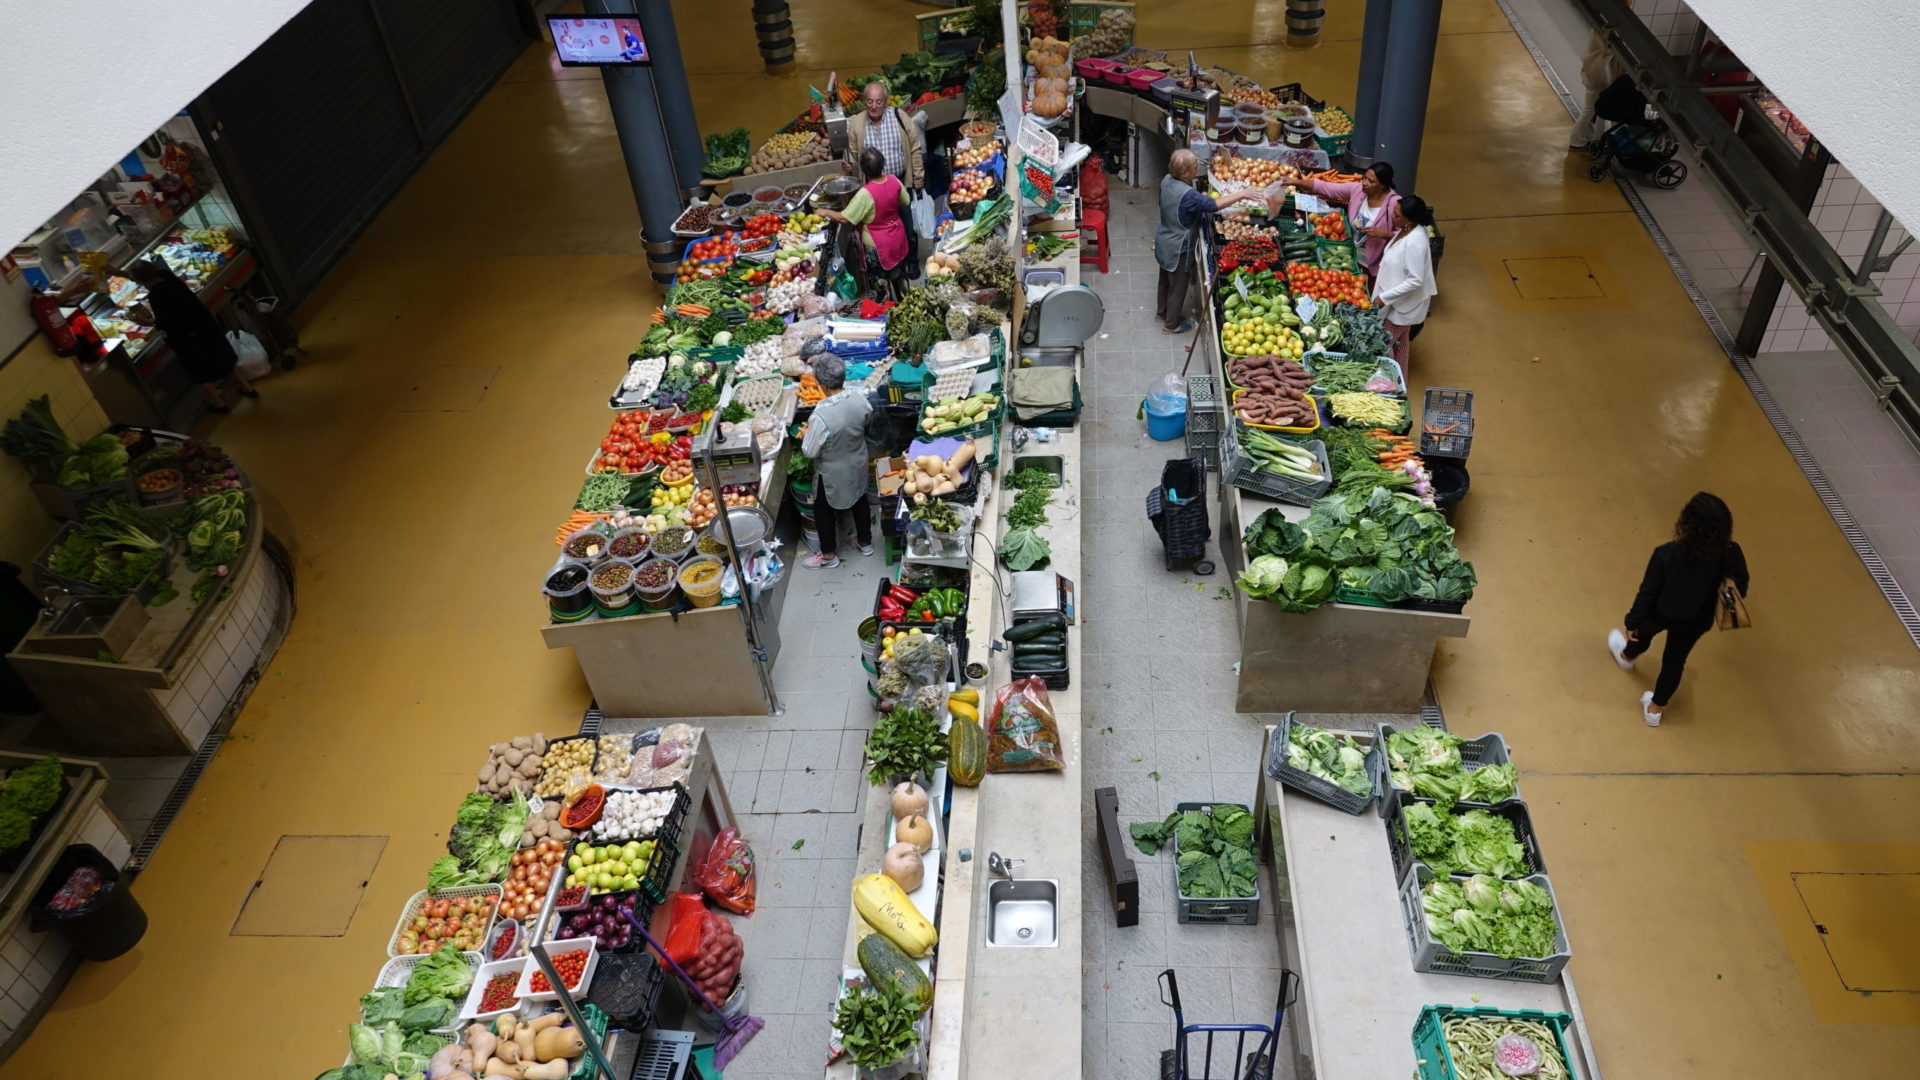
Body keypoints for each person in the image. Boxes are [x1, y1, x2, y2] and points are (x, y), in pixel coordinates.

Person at [1608, 492, 1749, 726]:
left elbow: (1648, 592)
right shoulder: (1731, 552)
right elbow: (1740, 587)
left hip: (1659, 612)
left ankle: (1627, 656)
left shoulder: (1666, 554)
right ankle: (1654, 710)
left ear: (1687, 522)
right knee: (1675, 661)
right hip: (1697, 619)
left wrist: (1632, 621)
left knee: (1642, 635)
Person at [123, 258, 257, 413]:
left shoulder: (156, 295)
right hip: (205, 325)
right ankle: (247, 387)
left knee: (198, 369)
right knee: (223, 353)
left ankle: (219, 403)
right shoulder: (170, 278)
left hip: (188, 336)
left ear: (142, 281)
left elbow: (167, 321)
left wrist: (148, 322)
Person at [1156, 148, 1265, 334]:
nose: (1197, 168)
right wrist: (1243, 194)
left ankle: (1161, 313)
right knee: (1178, 287)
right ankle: (1171, 325)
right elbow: (1214, 206)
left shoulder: (1167, 179)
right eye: (1193, 167)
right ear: (1183, 172)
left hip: (1165, 239)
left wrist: (1199, 200)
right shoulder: (1189, 195)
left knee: (1165, 280)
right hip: (1179, 247)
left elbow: (1184, 203)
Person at [799, 355, 874, 568]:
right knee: (861, 500)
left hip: (833, 471)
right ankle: (865, 543)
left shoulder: (820, 416)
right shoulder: (859, 398)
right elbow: (867, 418)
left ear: (821, 384)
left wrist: (807, 435)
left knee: (822, 510)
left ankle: (829, 556)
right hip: (858, 460)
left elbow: (809, 451)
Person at [845, 82, 925, 275]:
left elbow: (914, 147)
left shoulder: (899, 117)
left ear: (886, 101)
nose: (874, 106)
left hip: (898, 183)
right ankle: (888, 264)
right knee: (881, 230)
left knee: (907, 224)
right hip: (873, 190)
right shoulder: (856, 123)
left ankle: (911, 261)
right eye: (870, 102)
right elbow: (853, 156)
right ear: (865, 101)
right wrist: (849, 167)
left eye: (878, 102)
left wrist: (918, 177)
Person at [819, 148, 911, 299]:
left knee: (881, 285)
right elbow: (905, 200)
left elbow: (844, 218)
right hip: (897, 238)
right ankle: (907, 305)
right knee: (900, 277)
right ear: (883, 163)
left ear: (863, 169)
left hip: (877, 246)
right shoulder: (894, 180)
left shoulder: (865, 194)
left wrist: (825, 212)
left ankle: (886, 314)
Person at [1290, 162, 1401, 277]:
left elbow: (1409, 235)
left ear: (1383, 185)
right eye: (1364, 178)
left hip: (1375, 266)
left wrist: (1385, 234)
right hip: (1350, 257)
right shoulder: (1358, 190)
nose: (1364, 183)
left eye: (1371, 181)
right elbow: (1325, 187)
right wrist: (1295, 182)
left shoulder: (1394, 204)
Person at [1370, 195, 1436, 369]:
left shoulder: (1415, 242)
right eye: (1394, 211)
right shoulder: (1407, 229)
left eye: (1397, 215)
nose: (1393, 216)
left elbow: (1415, 280)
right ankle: (1401, 382)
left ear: (1411, 219)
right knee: (1401, 342)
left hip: (1403, 305)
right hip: (1398, 301)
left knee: (1383, 343)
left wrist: (1384, 297)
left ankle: (1390, 383)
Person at [1570, 5, 1631, 150]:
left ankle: (1597, 141)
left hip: (1593, 71)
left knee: (1596, 108)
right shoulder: (1609, 27)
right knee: (1592, 108)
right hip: (1602, 75)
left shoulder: (1599, 20)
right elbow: (1609, 50)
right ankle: (1577, 140)